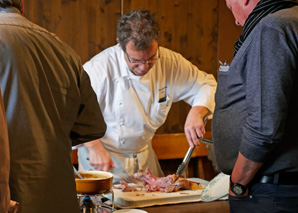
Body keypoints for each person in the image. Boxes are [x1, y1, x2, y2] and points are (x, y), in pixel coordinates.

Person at [78, 9, 217, 178]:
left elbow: (207, 84)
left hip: (144, 156)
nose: (144, 67)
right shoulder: (98, 69)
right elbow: (72, 112)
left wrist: (198, 111)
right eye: (135, 60)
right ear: (120, 45)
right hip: (103, 158)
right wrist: (94, 147)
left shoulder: (170, 63)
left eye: (151, 58)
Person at [0, 0, 107, 212]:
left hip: (11, 196)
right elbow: (92, 127)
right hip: (60, 196)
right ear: (22, 6)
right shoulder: (63, 49)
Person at [212, 0, 298, 212]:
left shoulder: (272, 27)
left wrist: (238, 183)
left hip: (271, 192)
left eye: (232, 9)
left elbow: (264, 126)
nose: (237, 21)